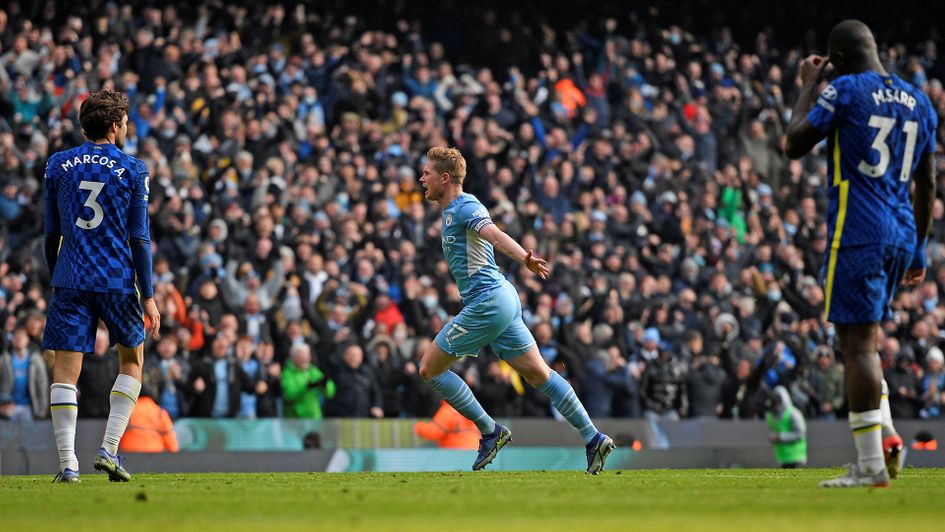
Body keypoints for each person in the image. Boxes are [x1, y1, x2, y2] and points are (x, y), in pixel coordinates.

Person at [785, 20, 937, 487]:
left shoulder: (846, 88)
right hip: (901, 232)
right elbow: (927, 183)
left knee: (857, 347)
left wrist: (810, 85)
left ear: (839, 60)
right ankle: (886, 434)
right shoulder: (921, 100)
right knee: (856, 342)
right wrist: (918, 249)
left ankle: (871, 465)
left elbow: (792, 144)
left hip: (859, 229)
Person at [416, 147, 614, 474]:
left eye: (427, 173)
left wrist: (524, 257)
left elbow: (493, 235)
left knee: (429, 369)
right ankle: (593, 437)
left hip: (489, 302)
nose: (422, 178)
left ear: (445, 177)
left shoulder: (465, 206)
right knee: (539, 374)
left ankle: (490, 431)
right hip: (503, 299)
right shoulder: (452, 210)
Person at [42, 89, 161, 483]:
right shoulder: (133, 169)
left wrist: (54, 274)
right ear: (114, 126)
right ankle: (109, 450)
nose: (127, 128)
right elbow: (140, 238)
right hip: (115, 280)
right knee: (132, 360)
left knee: (65, 370)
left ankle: (67, 465)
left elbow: (50, 231)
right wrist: (149, 295)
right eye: (125, 122)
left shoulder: (58, 164)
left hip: (70, 278)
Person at [119, 382, 179, 453]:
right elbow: (173, 446)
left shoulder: (125, 411)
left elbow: (112, 439)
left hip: (129, 454)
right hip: (155, 454)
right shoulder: (160, 412)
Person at [765, 386, 808, 468]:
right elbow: (772, 430)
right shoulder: (770, 415)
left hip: (796, 457)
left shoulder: (794, 413)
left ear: (780, 403)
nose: (773, 408)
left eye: (774, 405)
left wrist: (780, 437)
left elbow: (800, 433)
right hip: (782, 457)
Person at [414, 400, 480, 449]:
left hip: (455, 453)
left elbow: (433, 432)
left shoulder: (448, 410)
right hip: (475, 451)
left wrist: (418, 426)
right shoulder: (471, 408)